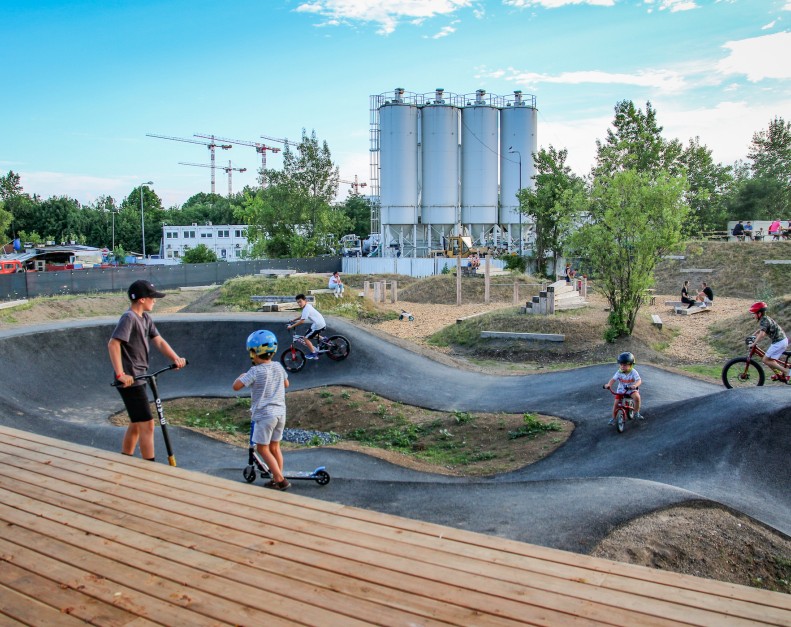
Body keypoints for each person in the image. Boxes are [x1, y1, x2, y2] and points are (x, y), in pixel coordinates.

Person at [108, 280, 187, 461]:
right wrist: (121, 374)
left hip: (140, 377)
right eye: (153, 297)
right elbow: (113, 344)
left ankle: (125, 458)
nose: (155, 301)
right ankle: (149, 466)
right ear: (142, 299)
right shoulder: (129, 318)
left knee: (137, 423)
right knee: (148, 424)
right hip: (130, 380)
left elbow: (158, 340)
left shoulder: (145, 318)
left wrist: (175, 358)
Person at [233, 330, 291, 490]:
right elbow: (286, 384)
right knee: (275, 447)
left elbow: (236, 387)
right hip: (280, 413)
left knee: (262, 448)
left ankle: (280, 479)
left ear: (254, 353)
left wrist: (240, 376)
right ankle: (277, 476)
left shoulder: (254, 371)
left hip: (265, 416)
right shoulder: (278, 366)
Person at [748, 302, 790, 383]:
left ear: (759, 313)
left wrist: (754, 343)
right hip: (780, 341)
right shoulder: (765, 319)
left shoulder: (764, 320)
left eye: (754, 314)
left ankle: (786, 371)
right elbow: (761, 330)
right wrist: (753, 335)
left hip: (779, 342)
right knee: (770, 360)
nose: (754, 316)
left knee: (765, 360)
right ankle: (780, 374)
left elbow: (762, 334)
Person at [603, 352, 643, 424]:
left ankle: (636, 412)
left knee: (637, 398)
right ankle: (613, 418)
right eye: (621, 364)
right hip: (621, 390)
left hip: (631, 390)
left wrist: (634, 386)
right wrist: (608, 385)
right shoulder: (619, 372)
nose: (622, 367)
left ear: (630, 365)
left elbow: (639, 380)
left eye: (624, 365)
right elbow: (613, 379)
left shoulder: (634, 372)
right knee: (616, 404)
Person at [287, 294, 326, 360]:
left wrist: (291, 326)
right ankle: (324, 339)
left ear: (305, 301)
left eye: (300, 301)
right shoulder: (307, 306)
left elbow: (302, 321)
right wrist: (294, 320)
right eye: (298, 302)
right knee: (308, 332)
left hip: (318, 324)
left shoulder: (306, 308)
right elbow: (302, 316)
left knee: (305, 338)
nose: (299, 304)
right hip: (320, 323)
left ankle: (314, 353)